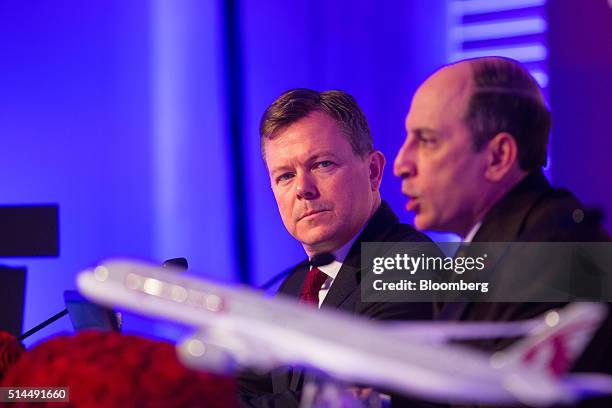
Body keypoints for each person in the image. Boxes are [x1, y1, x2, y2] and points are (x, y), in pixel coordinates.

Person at [394, 57, 612, 407]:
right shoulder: (492, 247)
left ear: (498, 157)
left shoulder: (557, 255)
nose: (401, 163)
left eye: (428, 140)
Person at [238, 89, 436, 408]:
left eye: (322, 164)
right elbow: (241, 387)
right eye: (285, 175)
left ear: (373, 171)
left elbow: (349, 396)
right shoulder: (296, 283)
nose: (303, 189)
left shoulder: (408, 264)